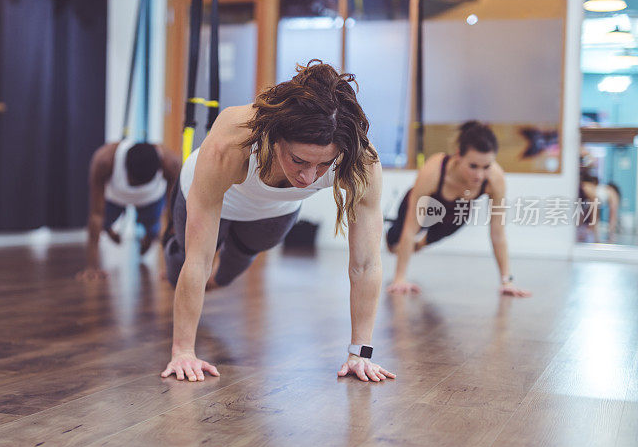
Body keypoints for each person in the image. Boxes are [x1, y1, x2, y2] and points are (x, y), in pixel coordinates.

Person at [160, 61, 395, 383]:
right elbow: (198, 260)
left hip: (272, 211)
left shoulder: (360, 161)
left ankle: (212, 281)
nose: (308, 176)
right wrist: (183, 350)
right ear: (274, 138)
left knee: (226, 276)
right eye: (298, 160)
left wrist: (360, 353)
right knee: (183, 266)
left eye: (323, 164)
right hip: (208, 194)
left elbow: (366, 264)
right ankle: (171, 242)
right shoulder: (232, 140)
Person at [385, 121, 531, 297]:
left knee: (459, 216)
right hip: (425, 206)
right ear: (458, 156)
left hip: (453, 214)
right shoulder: (434, 171)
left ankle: (419, 245)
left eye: (486, 167)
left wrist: (507, 281)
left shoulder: (495, 179)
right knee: (395, 243)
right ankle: (396, 240)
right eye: (473, 166)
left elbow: (498, 233)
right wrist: (400, 278)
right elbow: (411, 228)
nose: (479, 175)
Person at [76, 141, 181, 281]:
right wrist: (91, 267)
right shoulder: (104, 161)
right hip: (115, 198)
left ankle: (148, 238)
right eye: (133, 183)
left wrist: (173, 270)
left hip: (150, 199)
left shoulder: (171, 163)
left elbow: (172, 216)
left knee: (153, 231)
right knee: (103, 223)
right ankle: (111, 231)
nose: (135, 189)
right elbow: (95, 214)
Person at [578, 172, 621, 243]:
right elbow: (612, 216)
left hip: (585, 193)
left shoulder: (600, 189)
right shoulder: (613, 194)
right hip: (588, 194)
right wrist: (611, 235)